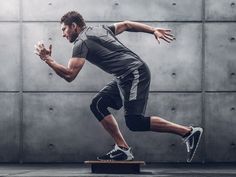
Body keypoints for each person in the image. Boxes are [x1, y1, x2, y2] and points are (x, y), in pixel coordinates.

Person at [34, 11, 203, 162]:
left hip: (134, 72)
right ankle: (122, 149)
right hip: (125, 75)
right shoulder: (99, 28)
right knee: (98, 104)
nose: (63, 34)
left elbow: (70, 75)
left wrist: (47, 59)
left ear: (74, 26)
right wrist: (153, 30)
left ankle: (188, 132)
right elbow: (127, 24)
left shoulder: (81, 43)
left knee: (135, 122)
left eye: (64, 29)